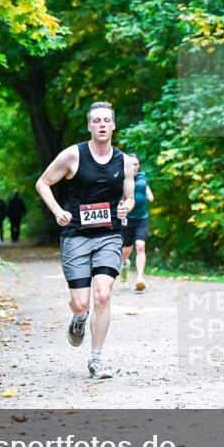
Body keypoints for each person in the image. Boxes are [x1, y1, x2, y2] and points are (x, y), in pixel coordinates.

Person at [36, 101, 134, 379]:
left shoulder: (123, 161)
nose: (102, 125)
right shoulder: (73, 155)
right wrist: (58, 211)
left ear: (113, 125)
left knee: (103, 296)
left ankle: (96, 359)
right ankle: (79, 318)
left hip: (109, 235)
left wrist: (127, 205)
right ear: (90, 126)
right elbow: (42, 182)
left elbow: (130, 197)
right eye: (97, 121)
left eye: (107, 120)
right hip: (76, 235)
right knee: (82, 303)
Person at [120, 154, 154, 291]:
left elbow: (145, 188)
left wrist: (149, 194)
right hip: (128, 219)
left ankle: (140, 278)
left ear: (138, 165)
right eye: (131, 164)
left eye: (136, 164)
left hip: (142, 218)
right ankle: (124, 264)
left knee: (140, 246)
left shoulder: (142, 177)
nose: (134, 167)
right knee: (127, 249)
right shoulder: (122, 179)